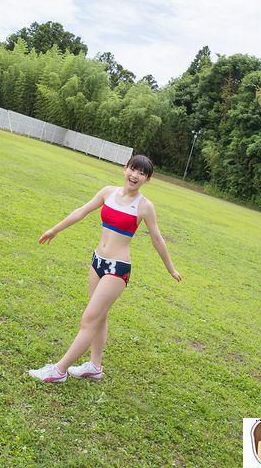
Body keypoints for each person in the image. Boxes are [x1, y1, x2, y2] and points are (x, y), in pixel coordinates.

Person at [28, 154, 182, 383]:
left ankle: (59, 370)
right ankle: (95, 366)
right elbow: (81, 211)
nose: (135, 175)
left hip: (117, 269)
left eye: (142, 173)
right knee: (99, 317)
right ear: (125, 169)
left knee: (89, 320)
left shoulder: (145, 207)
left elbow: (157, 239)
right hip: (97, 261)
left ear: (147, 180)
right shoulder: (107, 192)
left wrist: (170, 268)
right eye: (133, 169)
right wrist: (54, 229)